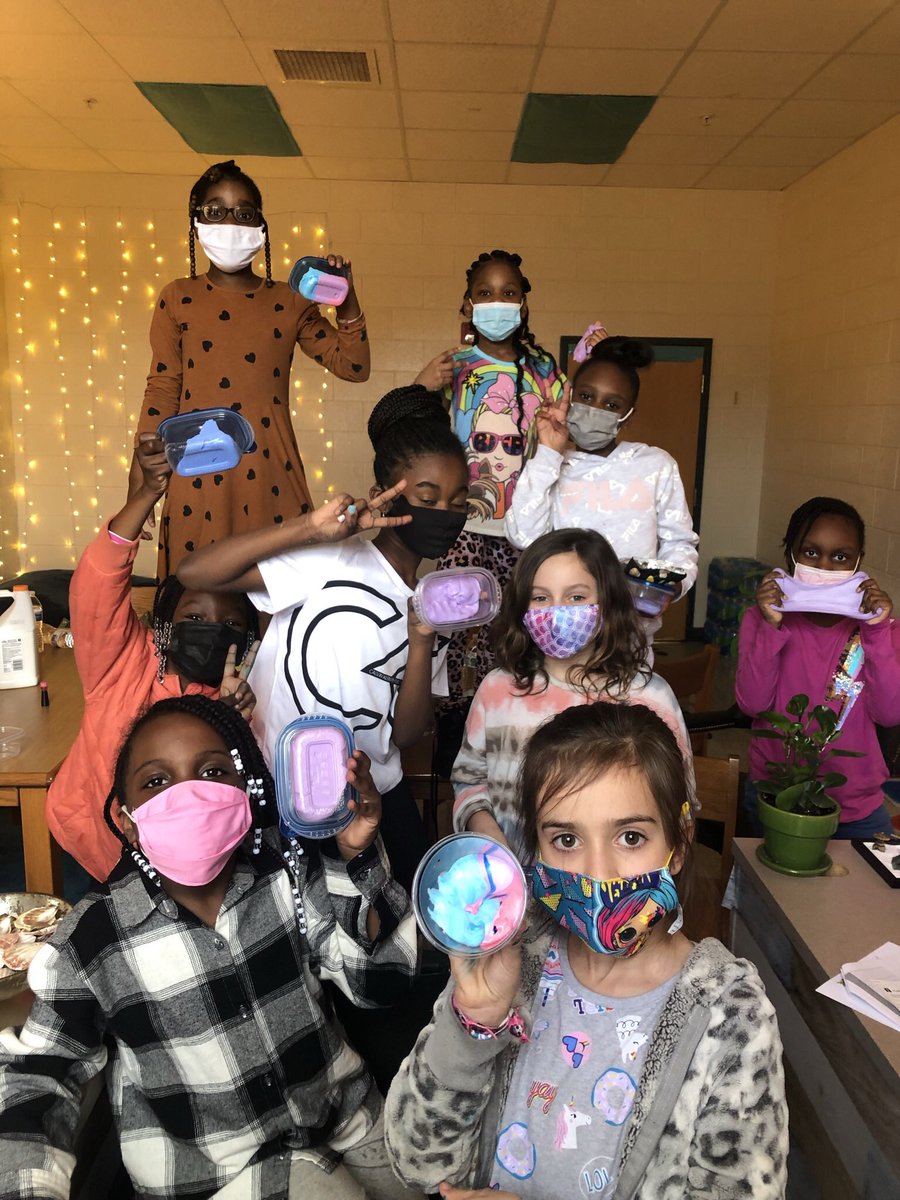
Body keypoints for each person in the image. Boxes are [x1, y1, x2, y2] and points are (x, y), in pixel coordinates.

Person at [0, 694, 421, 1199]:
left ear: (246, 791)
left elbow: (380, 984)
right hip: (217, 1179)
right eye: (157, 782)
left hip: (347, 1128)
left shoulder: (287, 871)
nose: (190, 796)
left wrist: (354, 857)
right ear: (129, 820)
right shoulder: (93, 942)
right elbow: (39, 1075)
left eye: (213, 772)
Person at [384, 702, 788, 1199]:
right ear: (536, 851)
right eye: (567, 839)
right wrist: (473, 1024)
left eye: (631, 836)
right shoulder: (514, 959)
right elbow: (417, 1164)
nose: (599, 871)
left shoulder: (729, 1014)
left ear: (678, 847)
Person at [178, 385, 470, 891]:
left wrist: (423, 640)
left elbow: (403, 736)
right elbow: (195, 572)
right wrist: (308, 530)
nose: (445, 512)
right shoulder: (331, 560)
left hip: (373, 793)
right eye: (428, 498)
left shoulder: (436, 601)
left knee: (396, 923)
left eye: (458, 501)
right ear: (392, 489)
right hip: (281, 784)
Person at [134, 158, 371, 579]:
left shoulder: (290, 300)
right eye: (214, 211)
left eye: (243, 213)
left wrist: (347, 302)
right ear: (196, 223)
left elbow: (354, 367)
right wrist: (141, 486)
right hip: (195, 469)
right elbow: (162, 389)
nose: (229, 222)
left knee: (276, 601)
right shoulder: (177, 296)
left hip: (270, 472)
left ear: (260, 228)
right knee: (195, 603)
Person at [45, 433, 258, 883]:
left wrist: (232, 722)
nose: (214, 628)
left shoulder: (238, 698)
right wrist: (146, 493)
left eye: (232, 624)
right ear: (167, 620)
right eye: (196, 614)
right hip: (95, 840)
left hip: (184, 862)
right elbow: (96, 586)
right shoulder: (123, 662)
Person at [452, 528, 695, 863]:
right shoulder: (496, 691)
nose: (556, 611)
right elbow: (469, 779)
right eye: (540, 598)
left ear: (608, 602)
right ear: (522, 606)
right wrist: (491, 841)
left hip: (615, 895)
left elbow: (680, 805)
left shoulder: (651, 698)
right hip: (515, 893)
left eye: (576, 597)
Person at [415, 249, 565, 738]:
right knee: (454, 624)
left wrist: (585, 368)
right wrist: (421, 386)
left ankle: (509, 719)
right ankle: (451, 725)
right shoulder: (454, 367)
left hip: (525, 526)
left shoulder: (544, 369)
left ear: (523, 304)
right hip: (462, 523)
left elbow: (571, 431)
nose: (496, 302)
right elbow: (414, 430)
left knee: (514, 628)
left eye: (508, 293)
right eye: (484, 294)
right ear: (467, 305)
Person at [505, 336, 699, 646]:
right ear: (569, 399)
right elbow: (523, 536)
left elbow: (680, 542)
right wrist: (548, 452)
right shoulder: (551, 464)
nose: (596, 409)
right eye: (586, 396)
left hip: (630, 634)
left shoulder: (655, 465)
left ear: (628, 415)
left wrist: (674, 585)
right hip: (561, 630)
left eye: (611, 405)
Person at [736, 495, 900, 838]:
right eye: (811, 552)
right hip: (777, 795)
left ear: (859, 562)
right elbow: (752, 703)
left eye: (841, 557)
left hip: (856, 806)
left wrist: (876, 630)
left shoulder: (880, 630)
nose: (824, 565)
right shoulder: (762, 619)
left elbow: (889, 713)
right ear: (790, 553)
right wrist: (772, 627)